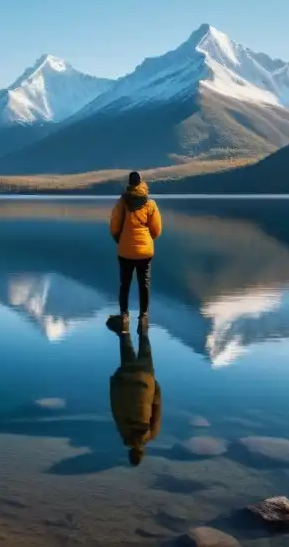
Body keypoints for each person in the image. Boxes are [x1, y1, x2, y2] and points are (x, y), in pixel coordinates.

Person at [108, 171, 163, 332]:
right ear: (141, 183)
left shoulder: (122, 203)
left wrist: (121, 240)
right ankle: (143, 316)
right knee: (144, 283)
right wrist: (147, 239)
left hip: (125, 251)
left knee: (124, 284)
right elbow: (157, 229)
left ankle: (124, 316)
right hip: (145, 252)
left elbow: (114, 227)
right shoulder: (150, 203)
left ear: (129, 184)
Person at [109, 327, 161, 466]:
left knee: (145, 349)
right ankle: (124, 327)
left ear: (143, 452)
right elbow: (116, 407)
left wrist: (156, 387)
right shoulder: (124, 432)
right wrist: (115, 381)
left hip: (145, 379)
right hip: (124, 379)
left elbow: (156, 407)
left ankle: (143, 324)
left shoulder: (150, 434)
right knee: (126, 349)